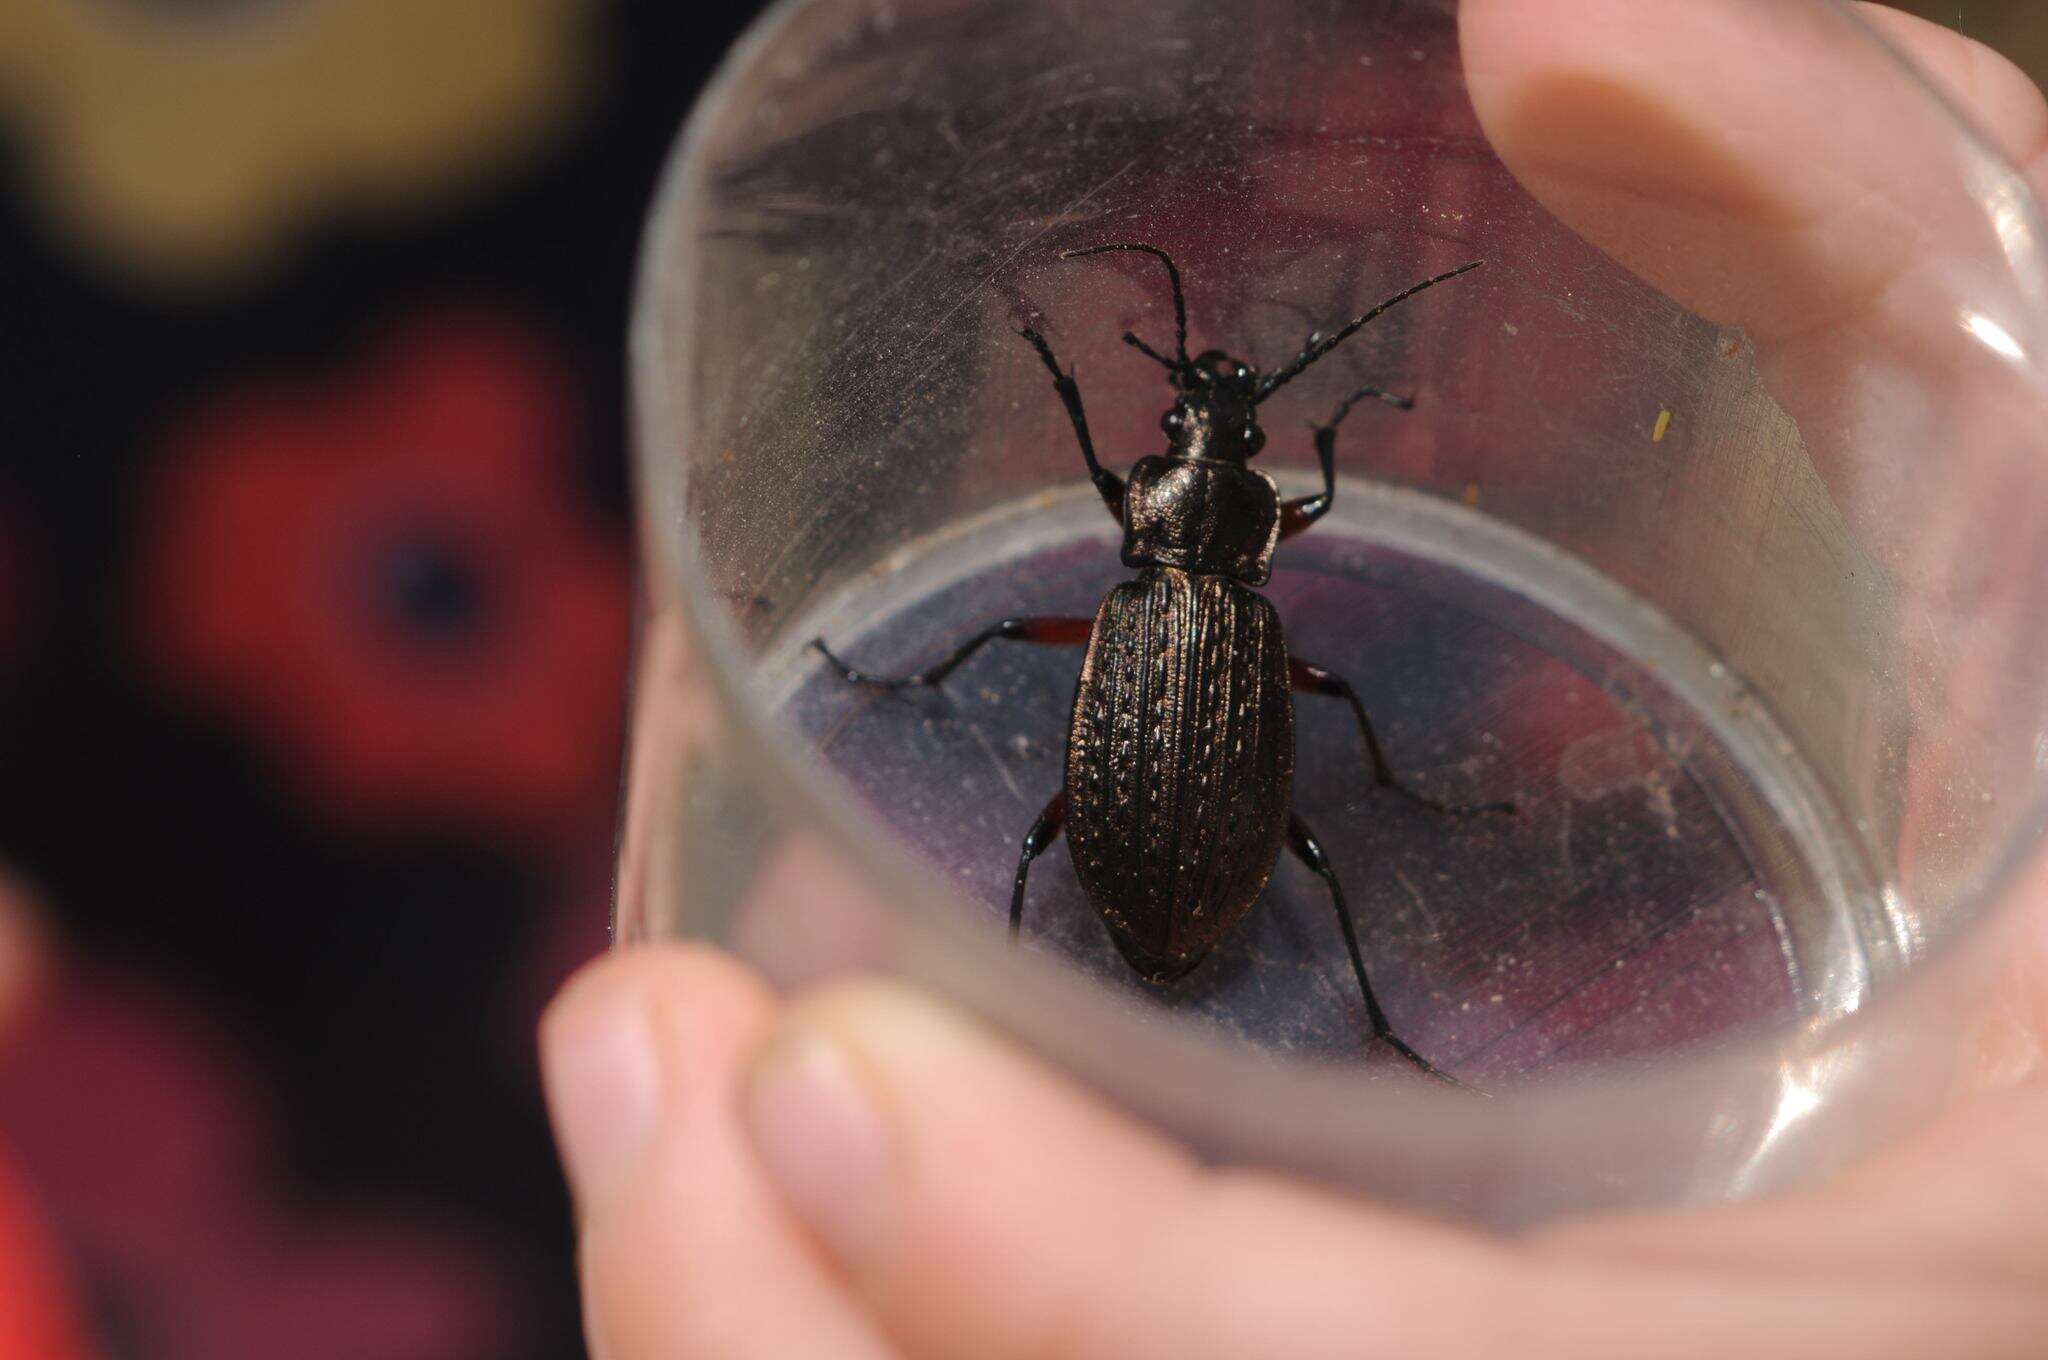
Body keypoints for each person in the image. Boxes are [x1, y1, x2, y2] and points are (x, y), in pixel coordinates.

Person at [541, 3, 2048, 1354]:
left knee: (1045, 805)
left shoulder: (1155, 563)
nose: (1210, 418)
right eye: (1211, 418)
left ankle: (1086, 970)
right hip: (1180, 871)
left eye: (1210, 424)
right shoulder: (1260, 585)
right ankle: (1315, 965)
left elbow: (1098, 456)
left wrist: (1069, 378)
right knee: (1281, 817)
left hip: (1145, 869)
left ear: (1170, 478)